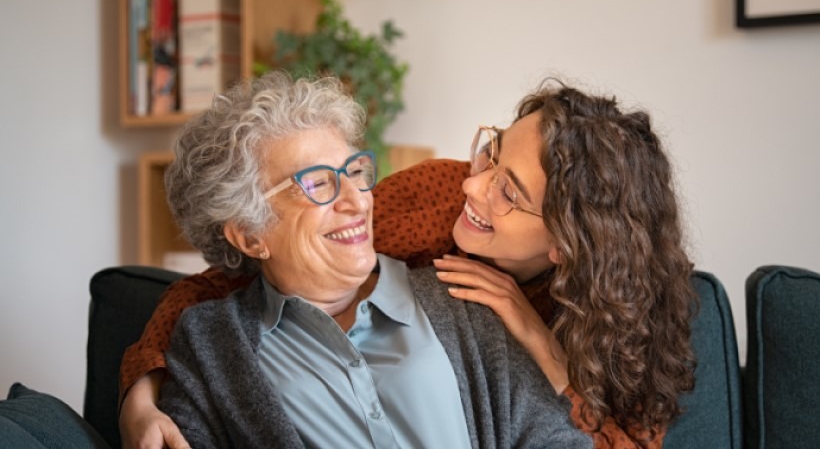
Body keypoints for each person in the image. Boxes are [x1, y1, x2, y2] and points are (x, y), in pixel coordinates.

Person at [119, 76, 696, 449]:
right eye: (491, 155)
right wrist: (139, 397)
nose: (475, 189)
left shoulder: (493, 313)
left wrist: (538, 342)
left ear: (564, 245)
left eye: (510, 193)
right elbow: (212, 287)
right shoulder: (437, 201)